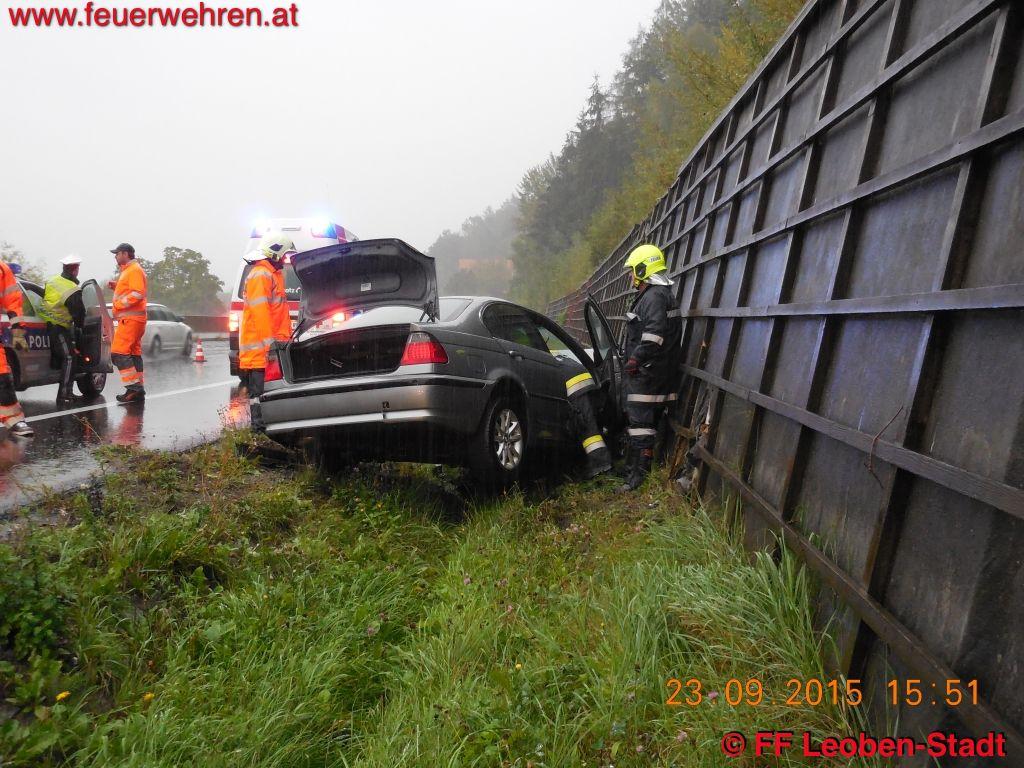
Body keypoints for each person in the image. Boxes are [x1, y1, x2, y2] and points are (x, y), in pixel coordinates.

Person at [619, 243, 680, 491]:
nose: (631, 277)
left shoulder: (654, 297)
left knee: (641, 424)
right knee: (643, 423)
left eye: (633, 271)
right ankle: (632, 470)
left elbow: (654, 334)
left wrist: (635, 359)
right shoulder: (659, 295)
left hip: (648, 374)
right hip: (657, 372)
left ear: (643, 270)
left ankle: (638, 476)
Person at [240, 231, 295, 430]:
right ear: (275, 253)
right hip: (261, 349)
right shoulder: (261, 275)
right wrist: (269, 345)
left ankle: (268, 426)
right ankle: (258, 428)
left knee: (269, 390)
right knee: (258, 392)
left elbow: (276, 312)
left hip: (270, 347)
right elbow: (260, 313)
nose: (285, 259)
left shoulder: (273, 274)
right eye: (284, 255)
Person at [40, 254, 87, 405]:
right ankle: (64, 394)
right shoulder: (72, 289)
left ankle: (67, 392)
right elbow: (79, 313)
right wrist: (80, 328)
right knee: (70, 357)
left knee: (67, 357)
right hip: (59, 327)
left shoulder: (52, 281)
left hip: (46, 324)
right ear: (75, 270)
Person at [107, 243, 147, 403]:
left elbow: (138, 293)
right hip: (134, 319)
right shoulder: (130, 270)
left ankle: (134, 388)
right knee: (133, 354)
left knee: (118, 353)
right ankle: (138, 389)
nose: (115, 257)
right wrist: (117, 287)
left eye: (117, 254)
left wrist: (118, 304)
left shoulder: (134, 270)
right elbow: (132, 290)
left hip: (130, 319)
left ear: (125, 254)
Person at [0, 259, 33, 437]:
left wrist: (18, 330)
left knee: (2, 377)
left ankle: (13, 419)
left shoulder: (2, 270)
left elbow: (13, 301)